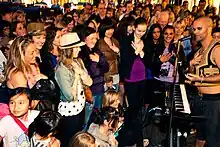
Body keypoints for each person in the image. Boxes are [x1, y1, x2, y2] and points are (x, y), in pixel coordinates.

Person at [186, 16, 220, 147]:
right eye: (194, 29)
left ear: (209, 29)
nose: (196, 32)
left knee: (213, 140)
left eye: (199, 28)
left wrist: (201, 79)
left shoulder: (216, 49)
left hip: (213, 102)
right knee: (200, 136)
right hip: (200, 100)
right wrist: (191, 65)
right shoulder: (198, 52)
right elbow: (191, 76)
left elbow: (199, 78)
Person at [55, 32, 92, 147]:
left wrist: (81, 72)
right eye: (77, 47)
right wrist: (76, 76)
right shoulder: (62, 70)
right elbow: (71, 97)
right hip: (69, 113)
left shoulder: (78, 62)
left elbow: (89, 82)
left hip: (80, 108)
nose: (80, 49)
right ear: (69, 49)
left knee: (77, 139)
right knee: (68, 141)